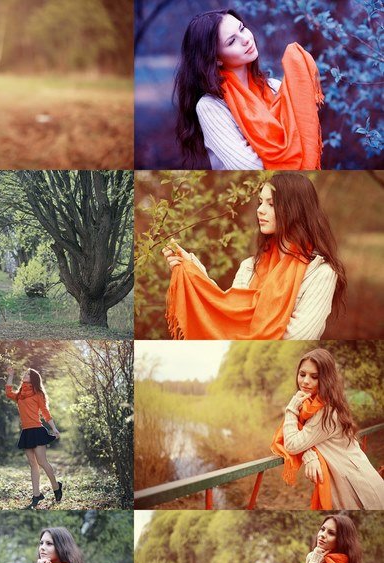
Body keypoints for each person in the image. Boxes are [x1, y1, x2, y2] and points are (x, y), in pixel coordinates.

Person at [164, 174, 343, 341]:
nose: (260, 210)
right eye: (260, 202)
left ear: (295, 210)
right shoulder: (250, 266)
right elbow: (229, 314)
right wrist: (191, 269)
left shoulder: (321, 272)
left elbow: (298, 337)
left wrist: (244, 329)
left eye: (271, 204)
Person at [173, 11, 322, 171]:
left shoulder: (274, 87)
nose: (245, 39)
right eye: (232, 41)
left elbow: (307, 140)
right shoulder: (211, 106)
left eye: (242, 28)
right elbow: (247, 167)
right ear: (216, 59)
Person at [272, 348, 384, 510]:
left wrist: (290, 409)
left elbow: (292, 444)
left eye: (314, 377)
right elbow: (308, 438)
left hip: (358, 487)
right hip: (350, 479)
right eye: (302, 374)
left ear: (326, 379)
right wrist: (309, 456)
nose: (305, 381)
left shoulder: (327, 411)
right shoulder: (313, 405)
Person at [5, 365, 62, 510]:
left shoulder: (38, 394)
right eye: (24, 374)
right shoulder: (20, 395)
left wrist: (54, 428)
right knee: (32, 463)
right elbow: (8, 392)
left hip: (37, 430)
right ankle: (36, 495)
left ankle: (56, 487)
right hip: (26, 431)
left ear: (34, 379)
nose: (24, 375)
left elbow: (45, 412)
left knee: (42, 462)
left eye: (28, 374)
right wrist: (11, 375)